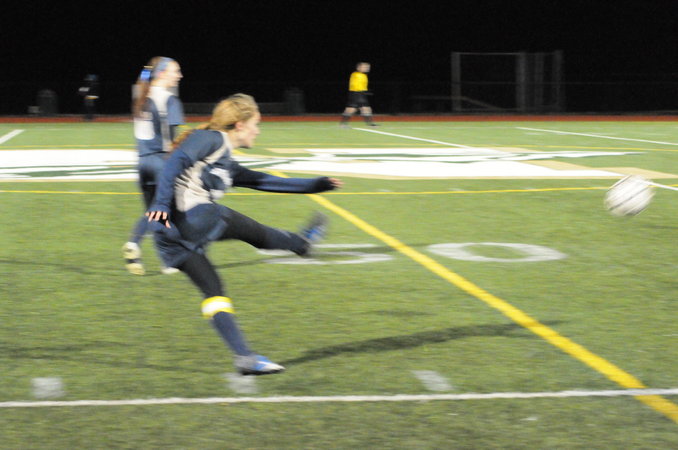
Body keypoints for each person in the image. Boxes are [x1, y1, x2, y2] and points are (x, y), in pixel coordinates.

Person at [146, 93, 342, 375]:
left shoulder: (225, 161)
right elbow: (174, 161)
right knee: (248, 229)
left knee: (214, 290)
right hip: (194, 218)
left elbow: (264, 181)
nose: (257, 131)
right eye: (255, 124)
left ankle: (245, 358)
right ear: (239, 125)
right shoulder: (212, 138)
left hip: (170, 236)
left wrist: (316, 184)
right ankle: (301, 244)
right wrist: (162, 204)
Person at [122, 57, 185, 275]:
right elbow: (174, 141)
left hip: (142, 163)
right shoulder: (169, 99)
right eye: (176, 71)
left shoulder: (141, 96)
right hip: (160, 162)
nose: (180, 76)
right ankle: (138, 244)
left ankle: (162, 259)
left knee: (155, 213)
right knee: (165, 212)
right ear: (162, 73)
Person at [340, 62, 378, 127]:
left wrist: (365, 91)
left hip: (360, 93)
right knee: (352, 109)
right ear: (358, 68)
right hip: (356, 93)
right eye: (364, 67)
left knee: (366, 108)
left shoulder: (363, 75)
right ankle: (343, 124)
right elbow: (355, 85)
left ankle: (370, 124)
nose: (367, 68)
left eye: (368, 67)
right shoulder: (356, 74)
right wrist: (362, 91)